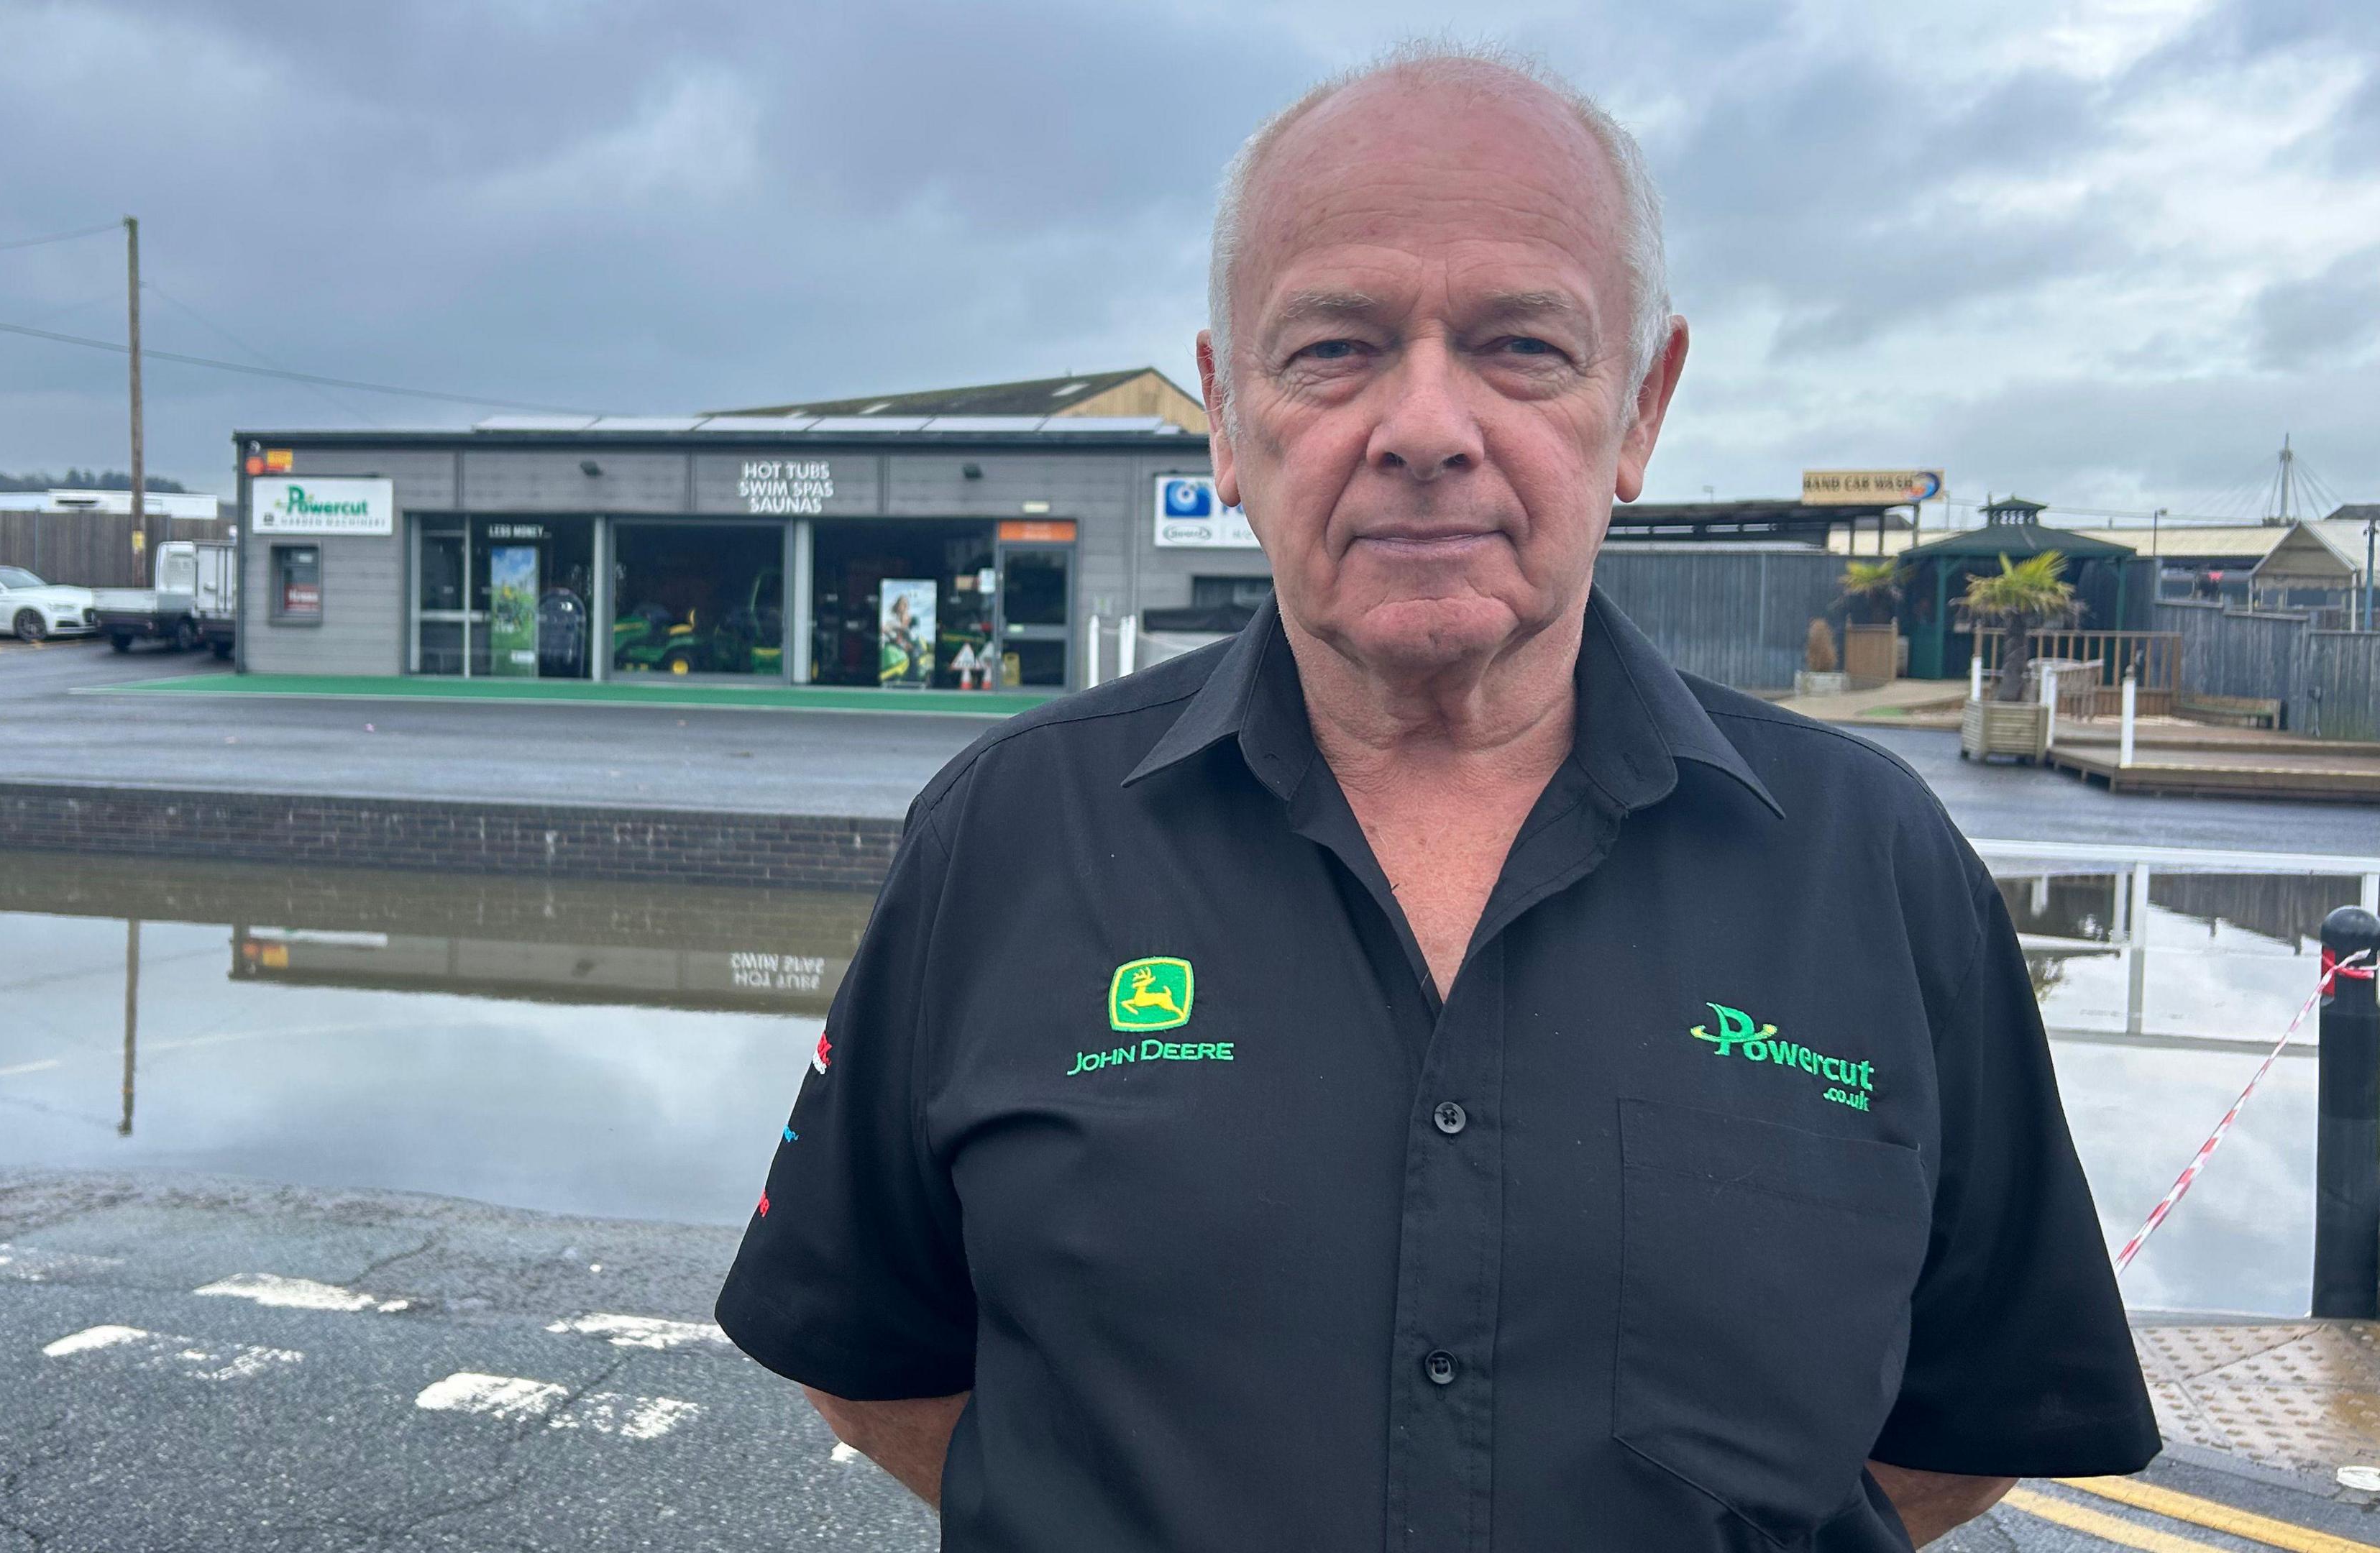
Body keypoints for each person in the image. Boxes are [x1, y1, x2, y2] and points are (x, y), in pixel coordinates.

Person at [717, 42, 2156, 1550]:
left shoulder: (1874, 866)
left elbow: (1966, 1426)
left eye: (1520, 345)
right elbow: (874, 1364)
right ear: (1227, 414)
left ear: (1642, 406)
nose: (1424, 427)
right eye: (1334, 347)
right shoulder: (1006, 837)